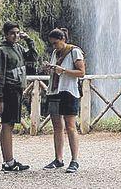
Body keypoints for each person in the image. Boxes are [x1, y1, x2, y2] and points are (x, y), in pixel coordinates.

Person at [0, 22, 36, 172]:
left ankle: (9, 160)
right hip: (8, 91)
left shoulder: (17, 48)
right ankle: (8, 161)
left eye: (17, 33)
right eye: (12, 33)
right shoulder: (2, 51)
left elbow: (33, 57)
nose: (16, 36)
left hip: (17, 90)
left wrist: (29, 40)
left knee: (10, 124)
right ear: (5, 34)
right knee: (7, 124)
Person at [42, 28, 85, 174]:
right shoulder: (55, 53)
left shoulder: (74, 51)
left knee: (70, 126)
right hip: (54, 91)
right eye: (52, 44)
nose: (54, 46)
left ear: (63, 40)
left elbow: (81, 73)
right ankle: (58, 159)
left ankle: (74, 160)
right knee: (57, 127)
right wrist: (51, 69)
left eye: (56, 43)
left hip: (69, 91)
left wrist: (63, 70)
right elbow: (56, 70)